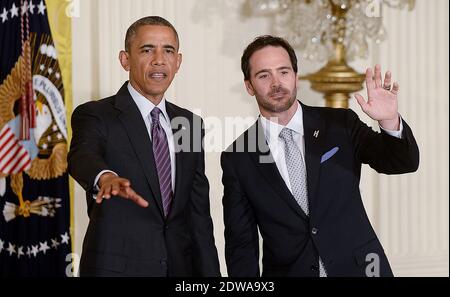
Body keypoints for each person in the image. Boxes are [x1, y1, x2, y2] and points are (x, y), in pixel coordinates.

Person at [221, 35, 419, 277]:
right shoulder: (238, 156)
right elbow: (241, 245)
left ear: (296, 77)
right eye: (264, 75)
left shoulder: (339, 124)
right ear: (249, 86)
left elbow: (401, 163)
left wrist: (389, 120)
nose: (276, 82)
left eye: (283, 72)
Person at [68, 16, 220, 277]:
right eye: (147, 49)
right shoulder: (95, 114)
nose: (159, 59)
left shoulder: (190, 124)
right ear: (125, 59)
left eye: (168, 51)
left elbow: (199, 217)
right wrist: (105, 177)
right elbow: (82, 155)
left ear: (178, 62)